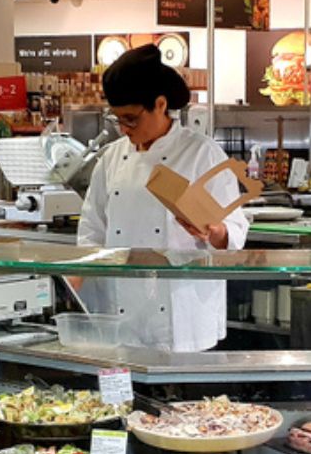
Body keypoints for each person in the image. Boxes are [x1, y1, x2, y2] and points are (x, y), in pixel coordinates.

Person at [77, 44, 248, 353]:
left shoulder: (202, 153)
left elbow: (235, 229)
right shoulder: (111, 158)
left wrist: (215, 232)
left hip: (182, 314)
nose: (124, 129)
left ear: (160, 104)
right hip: (120, 311)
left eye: (131, 119)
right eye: (117, 120)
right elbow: (92, 229)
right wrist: (76, 280)